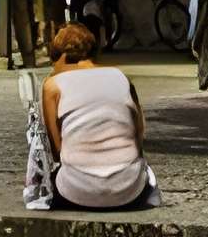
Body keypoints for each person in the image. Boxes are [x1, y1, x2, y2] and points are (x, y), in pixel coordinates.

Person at [39, 19, 153, 211]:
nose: (53, 70)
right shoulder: (121, 77)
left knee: (50, 182)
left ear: (64, 57)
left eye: (54, 64)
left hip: (76, 192)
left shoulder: (52, 85)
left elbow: (56, 149)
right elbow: (139, 135)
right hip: (130, 189)